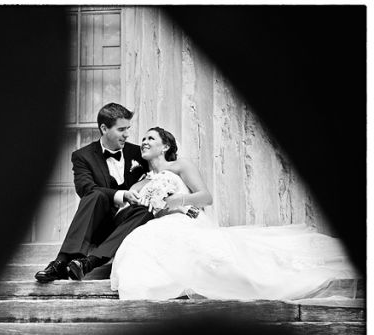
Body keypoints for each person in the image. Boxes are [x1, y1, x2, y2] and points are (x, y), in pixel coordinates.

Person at [110, 127, 358, 299]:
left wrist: (177, 200)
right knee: (138, 243)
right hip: (158, 226)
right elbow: (130, 210)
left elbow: (206, 197)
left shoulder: (180, 166)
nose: (143, 142)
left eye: (150, 138)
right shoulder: (139, 183)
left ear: (165, 146)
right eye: (142, 139)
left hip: (185, 220)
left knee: (224, 263)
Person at [35, 103, 152, 282]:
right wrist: (121, 195)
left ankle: (89, 262)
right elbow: (85, 188)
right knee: (95, 194)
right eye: (121, 129)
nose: (127, 134)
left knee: (145, 211)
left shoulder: (138, 152)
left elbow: (164, 169)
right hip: (96, 226)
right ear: (104, 128)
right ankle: (61, 262)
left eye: (128, 128)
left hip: (126, 225)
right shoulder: (82, 156)